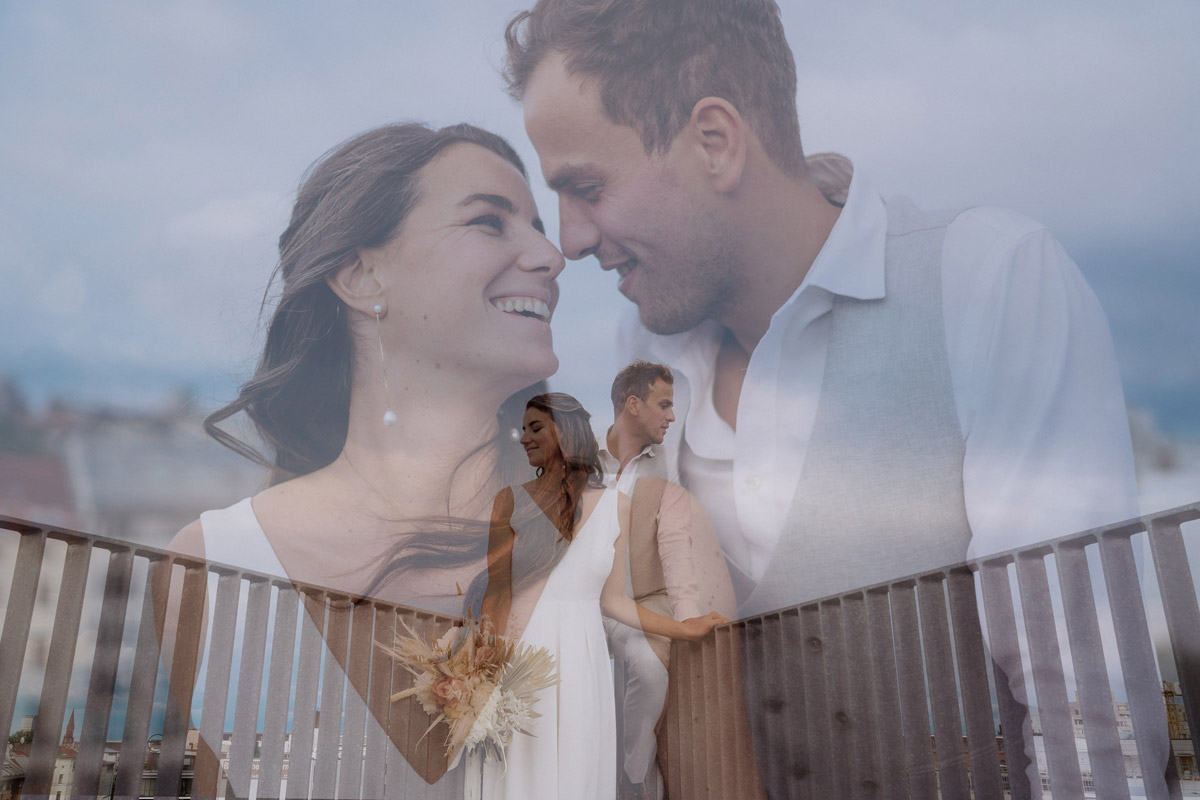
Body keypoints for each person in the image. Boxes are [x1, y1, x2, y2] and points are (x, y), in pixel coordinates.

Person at [501, 0, 1142, 794]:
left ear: (715, 143)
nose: (571, 239)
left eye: (587, 186)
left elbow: (1092, 713)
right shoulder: (649, 357)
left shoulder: (989, 282)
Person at [166, 122, 566, 793]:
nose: (552, 256)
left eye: (537, 226)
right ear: (359, 275)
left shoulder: (625, 533)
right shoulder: (212, 564)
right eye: (489, 222)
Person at [478, 392, 729, 800]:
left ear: (567, 432)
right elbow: (497, 591)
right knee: (521, 772)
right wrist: (484, 670)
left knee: (578, 770)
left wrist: (684, 630)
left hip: (581, 658)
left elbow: (614, 601)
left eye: (536, 427)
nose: (524, 438)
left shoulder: (617, 505)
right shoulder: (509, 502)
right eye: (522, 429)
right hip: (521, 655)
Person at [600, 361, 735, 799]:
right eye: (664, 404)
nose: (671, 416)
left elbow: (677, 552)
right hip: (585, 603)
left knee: (647, 668)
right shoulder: (584, 463)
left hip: (641, 607)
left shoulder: (668, 471)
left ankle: (634, 777)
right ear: (633, 405)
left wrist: (689, 620)